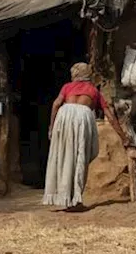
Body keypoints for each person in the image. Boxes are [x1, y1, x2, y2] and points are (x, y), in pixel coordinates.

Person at [43, 62, 131, 212]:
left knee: (63, 157)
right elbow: (109, 115)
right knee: (79, 158)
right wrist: (123, 137)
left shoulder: (67, 87)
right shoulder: (93, 91)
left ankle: (62, 197)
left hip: (63, 117)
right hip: (82, 118)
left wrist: (52, 126)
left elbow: (56, 104)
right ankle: (75, 200)